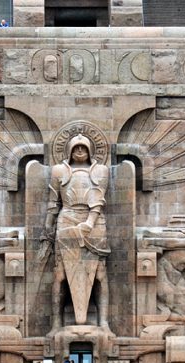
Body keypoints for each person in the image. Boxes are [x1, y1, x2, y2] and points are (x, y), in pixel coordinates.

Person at [43, 134, 111, 332]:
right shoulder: (58, 171)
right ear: (69, 150)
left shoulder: (100, 170)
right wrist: (48, 226)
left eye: (83, 148)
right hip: (66, 222)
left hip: (95, 224)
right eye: (76, 148)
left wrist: (89, 222)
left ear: (90, 150)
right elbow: (53, 201)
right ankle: (56, 324)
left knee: (100, 274)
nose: (80, 151)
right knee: (60, 275)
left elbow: (98, 198)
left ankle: (103, 322)